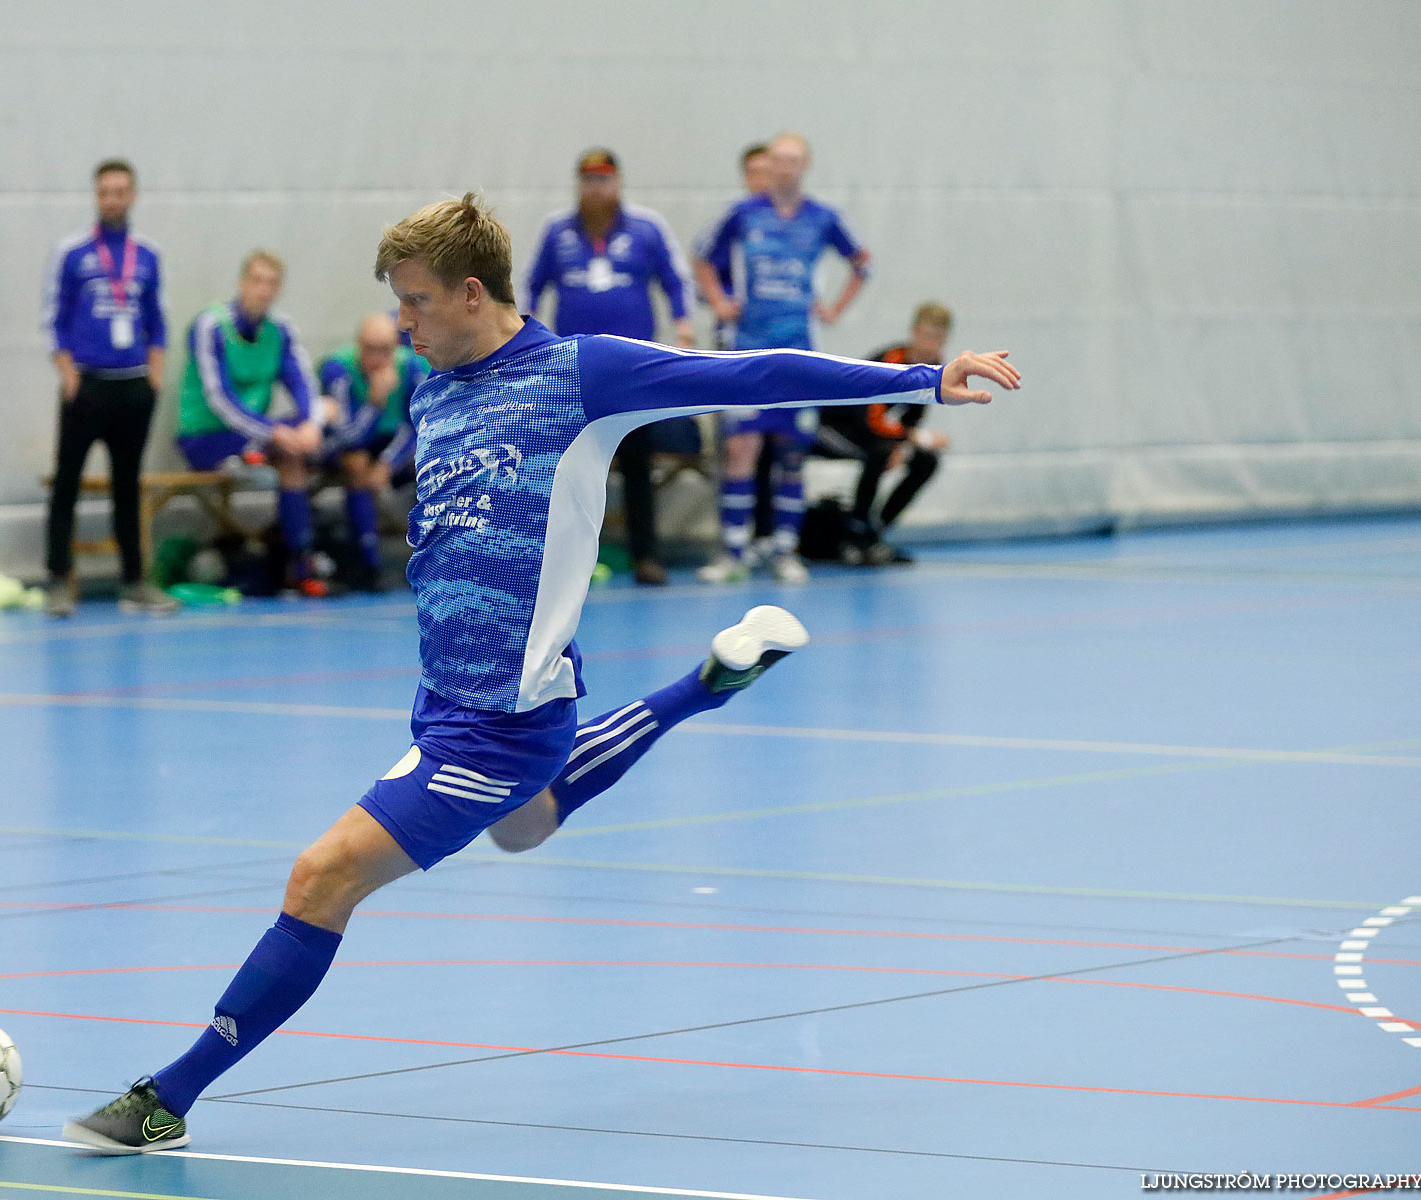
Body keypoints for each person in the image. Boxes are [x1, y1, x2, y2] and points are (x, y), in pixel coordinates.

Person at [63, 193, 1017, 1152]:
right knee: (520, 830)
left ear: (473, 294)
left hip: (501, 725)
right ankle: (705, 685)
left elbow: (749, 372)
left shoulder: (581, 375)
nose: (405, 324)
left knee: (321, 877)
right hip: (447, 708)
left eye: (418, 302)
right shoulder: (430, 386)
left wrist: (926, 377)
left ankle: (166, 1098)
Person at [693, 132, 873, 584]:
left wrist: (833, 308)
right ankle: (733, 552)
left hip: (799, 350)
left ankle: (785, 551)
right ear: (767, 166)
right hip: (748, 349)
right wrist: (719, 301)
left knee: (792, 452)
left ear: (805, 166)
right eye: (777, 160)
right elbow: (701, 258)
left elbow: (861, 263)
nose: (784, 168)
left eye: (793, 161)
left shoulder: (822, 217)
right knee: (741, 449)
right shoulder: (743, 214)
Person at [525, 148, 696, 587]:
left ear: (617, 182)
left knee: (638, 461)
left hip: (631, 367)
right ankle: (569, 560)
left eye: (603, 180)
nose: (595, 189)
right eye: (587, 180)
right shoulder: (558, 230)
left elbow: (675, 281)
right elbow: (532, 285)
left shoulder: (646, 228)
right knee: (572, 464)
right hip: (572, 365)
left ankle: (647, 557)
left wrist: (684, 329)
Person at [41, 158, 180, 617]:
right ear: (96, 197)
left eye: (121, 191)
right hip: (87, 385)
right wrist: (68, 374)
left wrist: (154, 372)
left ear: (133, 195)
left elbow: (157, 319)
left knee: (127, 485)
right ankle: (59, 581)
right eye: (106, 192)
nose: (114, 199)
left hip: (133, 385)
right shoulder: (73, 252)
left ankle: (134, 583)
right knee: (67, 483)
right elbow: (55, 318)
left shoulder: (148, 254)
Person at [177, 251, 328, 596]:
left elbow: (302, 383)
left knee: (299, 450)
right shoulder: (210, 327)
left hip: (255, 436)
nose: (263, 290)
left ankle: (300, 562)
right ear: (242, 283)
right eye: (257, 281)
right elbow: (220, 399)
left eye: (272, 284)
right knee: (284, 447)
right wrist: (273, 431)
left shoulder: (280, 331)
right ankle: (287, 557)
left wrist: (311, 424)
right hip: (206, 436)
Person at [814, 303, 955, 565]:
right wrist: (916, 439)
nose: (928, 344)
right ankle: (854, 536)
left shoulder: (933, 369)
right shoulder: (891, 361)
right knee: (879, 453)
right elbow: (871, 420)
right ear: (913, 333)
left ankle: (874, 533)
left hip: (866, 432)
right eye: (924, 336)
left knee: (926, 461)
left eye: (936, 339)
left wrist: (904, 446)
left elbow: (911, 418)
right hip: (830, 427)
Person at [316, 313, 427, 590]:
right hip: (348, 446)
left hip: (393, 444)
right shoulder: (338, 370)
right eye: (369, 349)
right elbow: (346, 436)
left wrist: (388, 463)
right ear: (358, 345)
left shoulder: (411, 368)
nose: (377, 358)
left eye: (384, 350)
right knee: (357, 464)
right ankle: (369, 563)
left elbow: (417, 427)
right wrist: (375, 402)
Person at [695, 142, 772, 352]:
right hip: (738, 330)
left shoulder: (794, 219)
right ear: (745, 177)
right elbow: (701, 258)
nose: (761, 180)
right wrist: (719, 303)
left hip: (781, 328)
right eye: (753, 173)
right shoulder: (734, 216)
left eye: (767, 172)